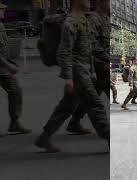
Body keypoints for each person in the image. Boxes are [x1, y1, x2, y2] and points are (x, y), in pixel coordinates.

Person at [35, 0, 109, 153]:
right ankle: (110, 139)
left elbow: (88, 50)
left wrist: (93, 71)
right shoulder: (71, 22)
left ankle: (44, 137)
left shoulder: (83, 20)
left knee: (67, 106)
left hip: (84, 70)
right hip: (77, 71)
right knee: (95, 105)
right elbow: (64, 52)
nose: (89, 2)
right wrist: (68, 78)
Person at [65, 0, 111, 135]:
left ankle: (74, 122)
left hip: (102, 65)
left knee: (92, 96)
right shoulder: (94, 19)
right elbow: (92, 46)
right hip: (99, 65)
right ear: (101, 3)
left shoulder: (106, 18)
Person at [0, 3, 31, 137]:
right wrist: (8, 65)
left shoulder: (0, 25)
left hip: (2, 66)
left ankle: (14, 122)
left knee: (16, 91)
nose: (4, 10)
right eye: (1, 9)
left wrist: (12, 63)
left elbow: (3, 49)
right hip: (2, 66)